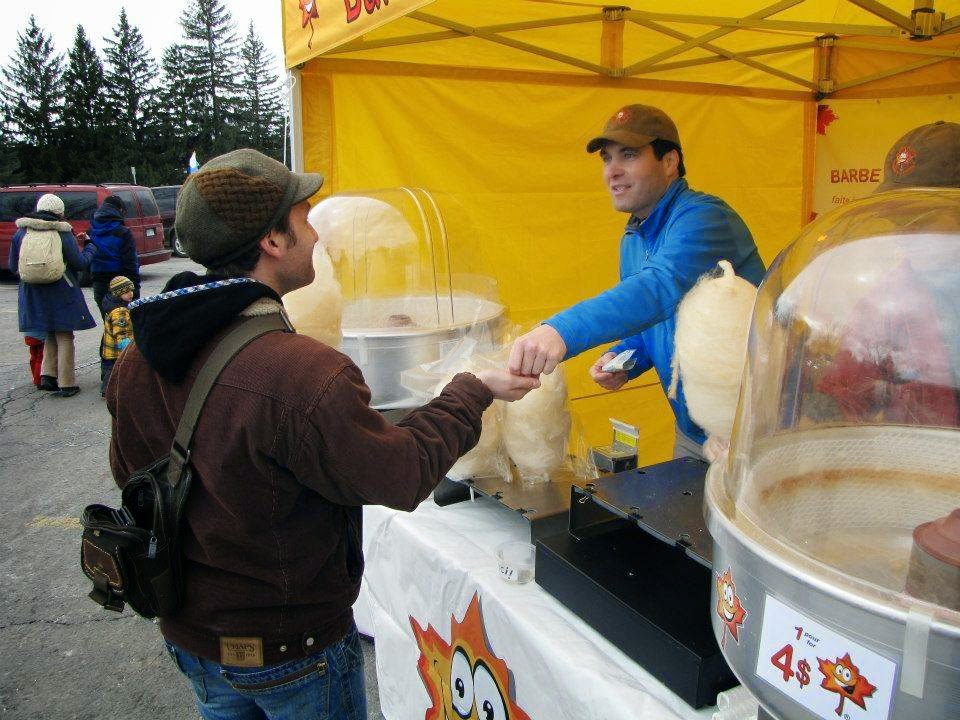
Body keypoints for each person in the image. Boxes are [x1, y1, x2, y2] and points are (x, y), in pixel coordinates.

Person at [106, 149, 539, 720]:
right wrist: (472, 389)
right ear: (273, 241)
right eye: (305, 218)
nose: (319, 239)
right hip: (294, 651)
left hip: (193, 638)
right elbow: (401, 474)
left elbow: (131, 476)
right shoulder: (302, 373)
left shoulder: (137, 360)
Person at [508, 104, 766, 460]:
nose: (612, 171)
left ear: (670, 161)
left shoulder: (704, 217)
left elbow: (657, 289)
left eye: (628, 155)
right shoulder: (634, 237)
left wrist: (559, 331)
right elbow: (651, 318)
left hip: (753, 434)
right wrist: (626, 357)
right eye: (606, 158)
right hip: (693, 430)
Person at [8, 193, 97, 398]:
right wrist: (90, 246)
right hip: (61, 291)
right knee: (65, 335)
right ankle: (67, 383)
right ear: (60, 212)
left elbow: (14, 266)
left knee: (48, 332)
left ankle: (47, 376)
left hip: (32, 292)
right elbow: (80, 263)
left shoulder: (21, 233)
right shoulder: (62, 232)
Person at [89, 194, 140, 312]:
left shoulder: (91, 231)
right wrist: (135, 288)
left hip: (98, 281)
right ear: (119, 210)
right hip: (120, 282)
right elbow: (130, 262)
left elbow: (89, 257)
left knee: (108, 322)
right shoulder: (123, 232)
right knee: (125, 324)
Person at [99, 275, 135, 397]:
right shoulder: (120, 311)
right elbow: (122, 332)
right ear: (118, 293)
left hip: (108, 347)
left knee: (108, 368)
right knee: (114, 370)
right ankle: (109, 390)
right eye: (126, 292)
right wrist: (127, 349)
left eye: (131, 290)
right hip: (116, 349)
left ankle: (106, 388)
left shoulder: (110, 303)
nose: (130, 294)